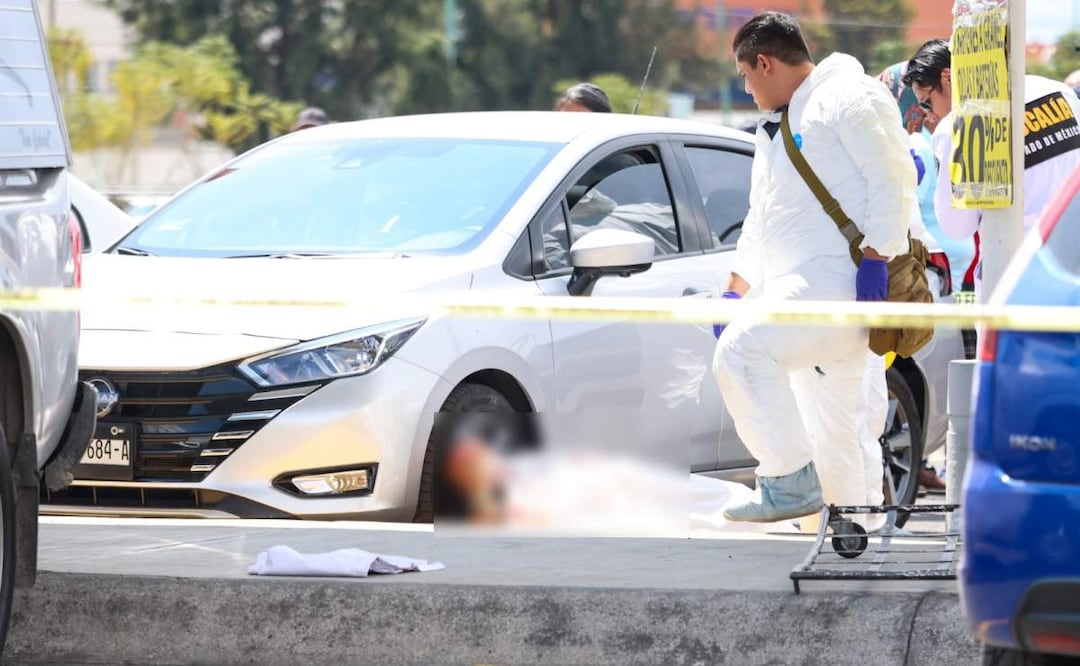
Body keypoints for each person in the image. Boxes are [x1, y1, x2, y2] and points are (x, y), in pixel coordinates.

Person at [713, 12, 915, 523]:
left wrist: (877, 256)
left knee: (740, 352)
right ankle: (852, 531)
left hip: (841, 285)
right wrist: (736, 289)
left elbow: (894, 175)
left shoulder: (850, 94)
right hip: (806, 287)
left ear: (764, 62)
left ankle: (786, 480)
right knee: (833, 426)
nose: (745, 87)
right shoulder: (778, 126)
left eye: (744, 74)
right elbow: (762, 219)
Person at [903, 39, 1080, 297]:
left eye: (927, 102)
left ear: (947, 77)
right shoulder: (1057, 91)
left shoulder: (957, 126)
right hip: (1070, 257)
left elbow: (957, 226)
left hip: (1011, 271)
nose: (928, 114)